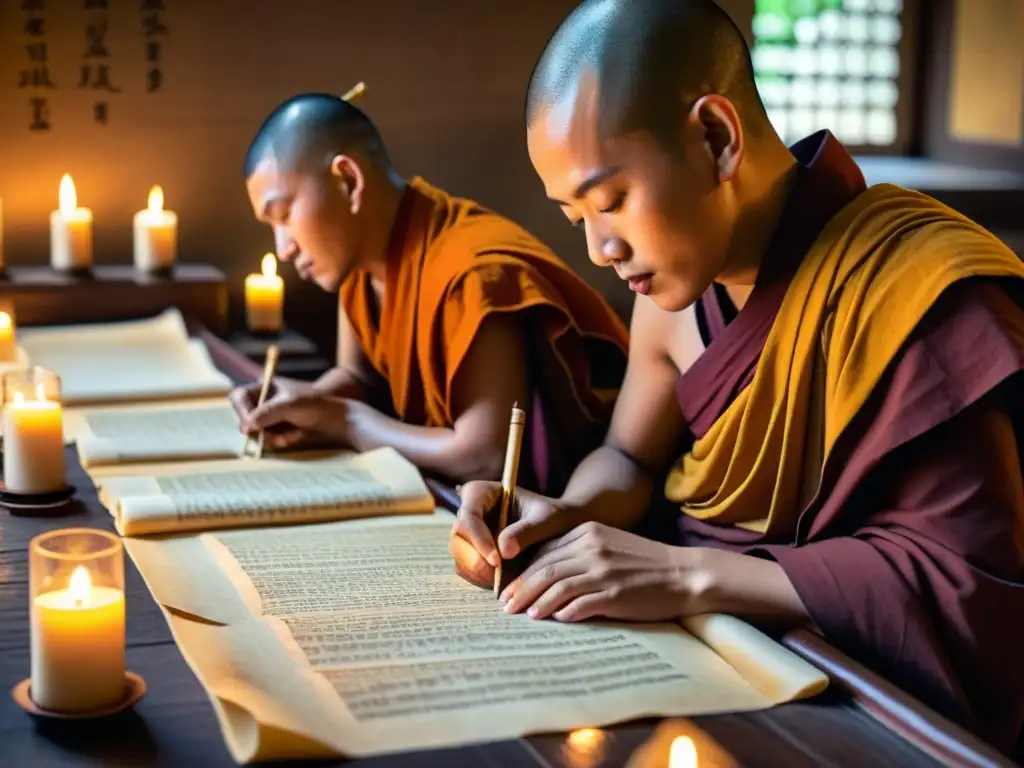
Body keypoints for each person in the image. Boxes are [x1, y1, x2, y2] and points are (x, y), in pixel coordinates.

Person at [449, 0, 1024, 753]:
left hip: (848, 695)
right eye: (574, 217)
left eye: (611, 200)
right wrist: (559, 514)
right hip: (692, 654)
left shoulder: (917, 287)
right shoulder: (678, 287)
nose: (599, 249)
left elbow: (967, 591)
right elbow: (629, 457)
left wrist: (690, 576)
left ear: (715, 138)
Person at [232, 93, 629, 492]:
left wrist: (344, 420)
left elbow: (483, 456)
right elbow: (360, 380)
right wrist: (301, 403)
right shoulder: (357, 262)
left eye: (284, 215)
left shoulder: (473, 274)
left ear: (348, 181)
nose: (283, 248)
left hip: (550, 511)